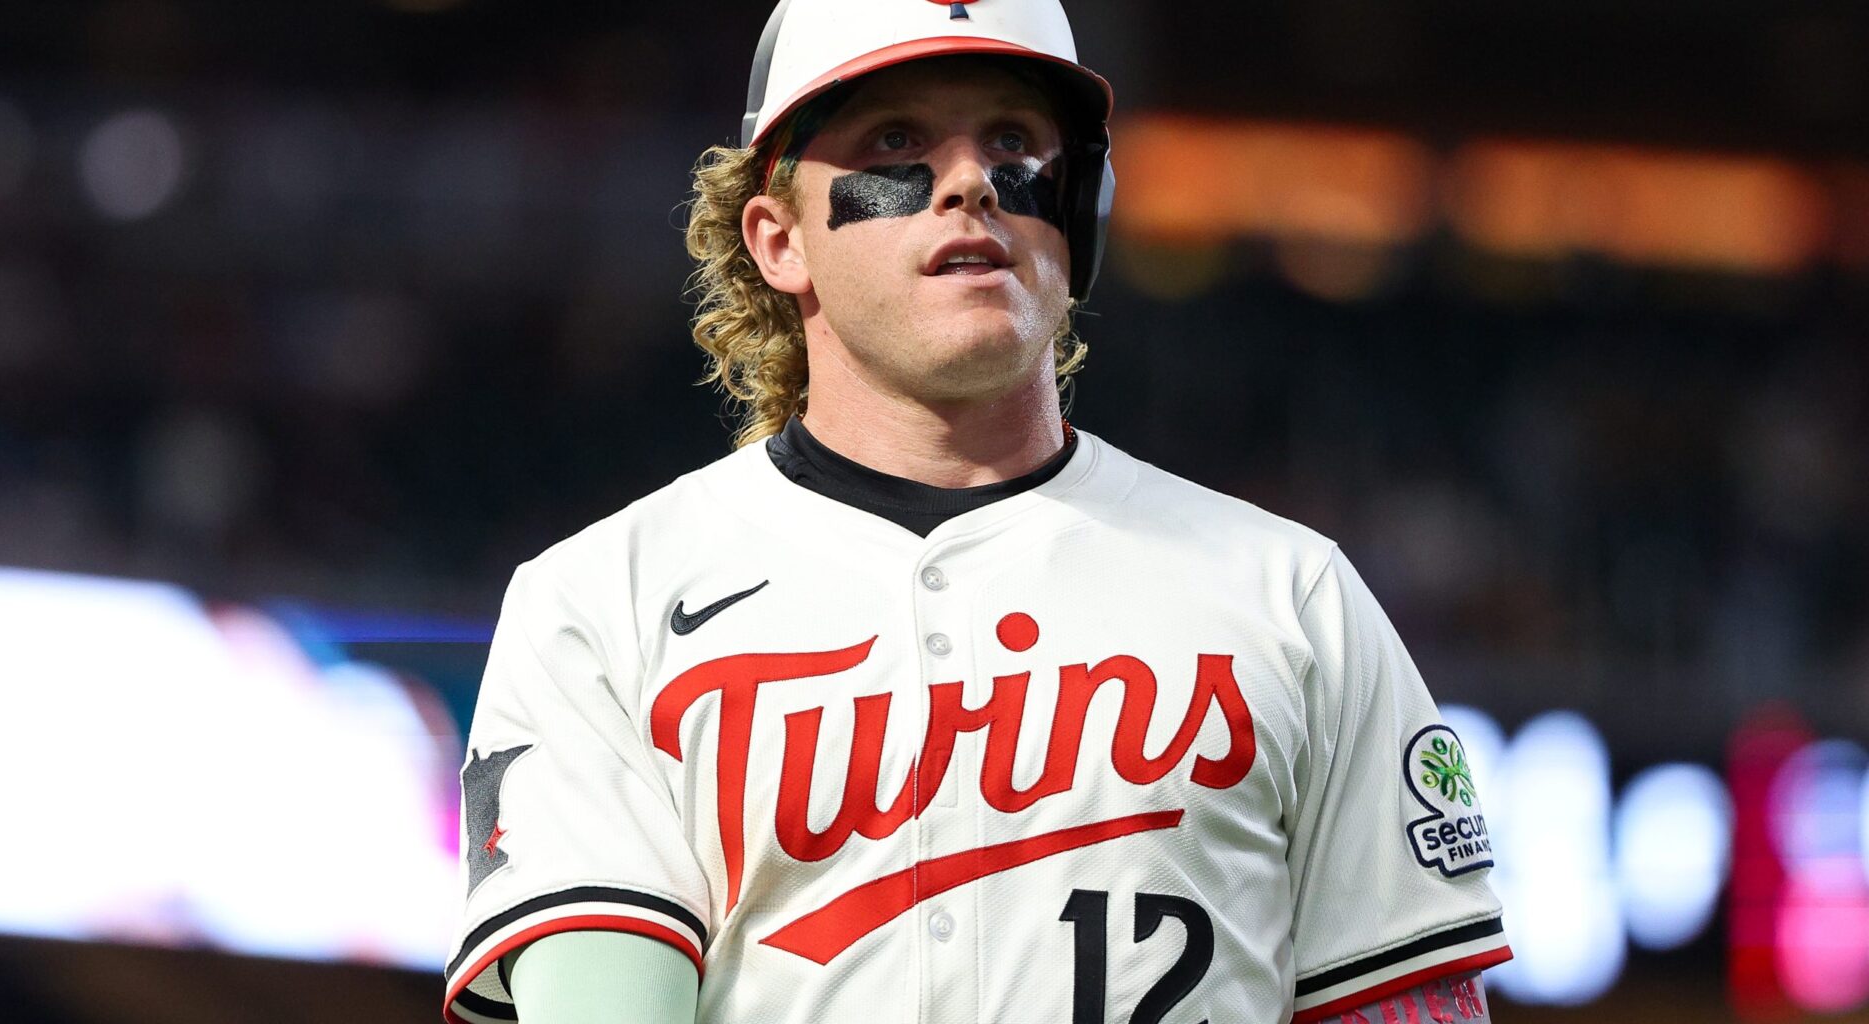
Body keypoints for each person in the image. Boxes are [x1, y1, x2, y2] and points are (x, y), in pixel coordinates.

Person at [444, 1, 1511, 1022]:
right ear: (779, 239)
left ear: (1077, 214)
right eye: (897, 142)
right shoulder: (602, 603)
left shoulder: (1295, 598)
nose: (970, 181)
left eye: (1014, 142)